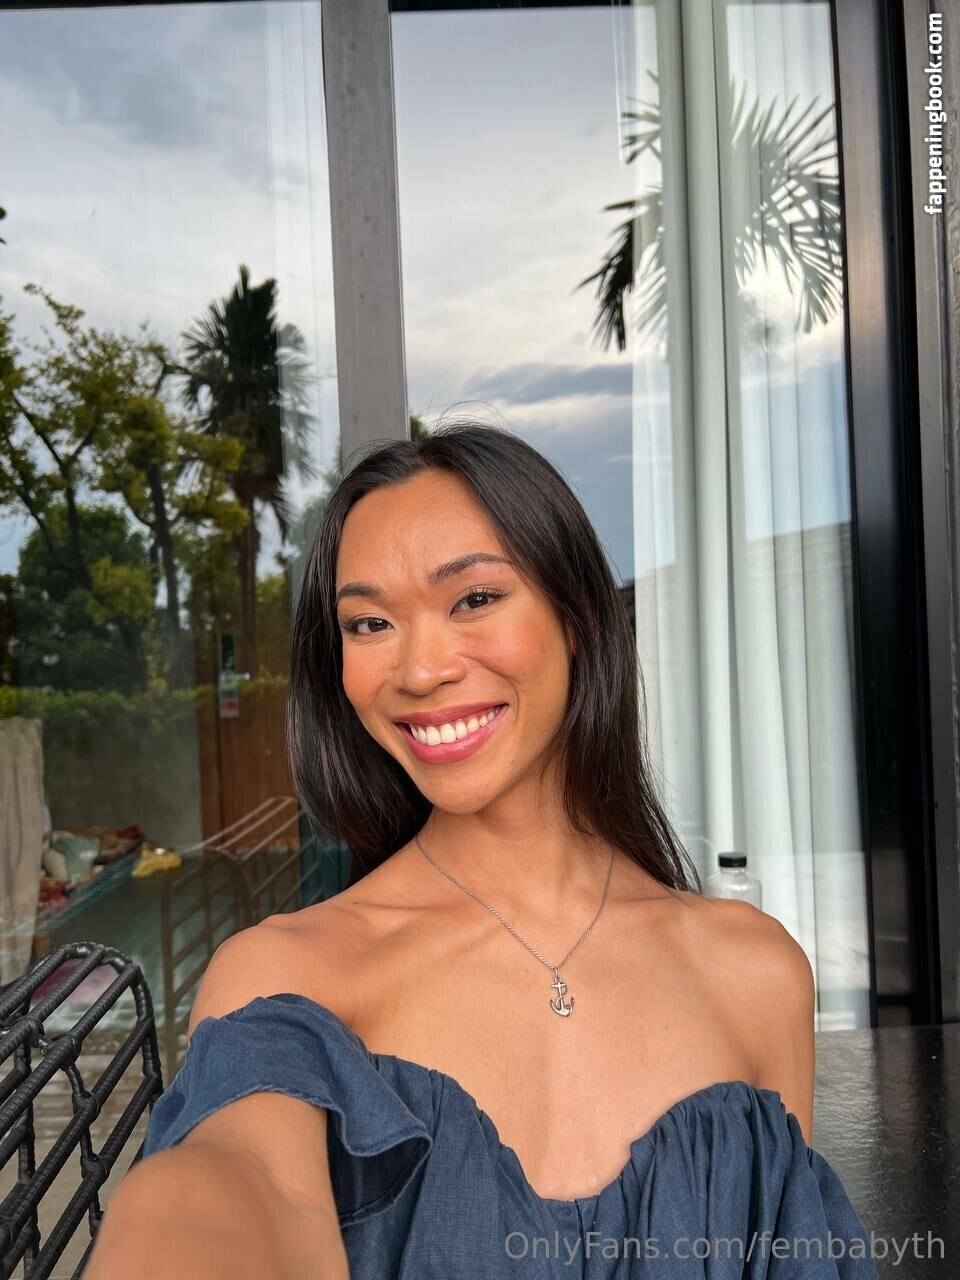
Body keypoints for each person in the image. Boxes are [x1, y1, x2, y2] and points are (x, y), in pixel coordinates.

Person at [87, 421, 877, 1278]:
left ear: (576, 618)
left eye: (474, 600)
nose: (421, 670)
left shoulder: (757, 974)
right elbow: (232, 1185)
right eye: (369, 623)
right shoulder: (286, 976)